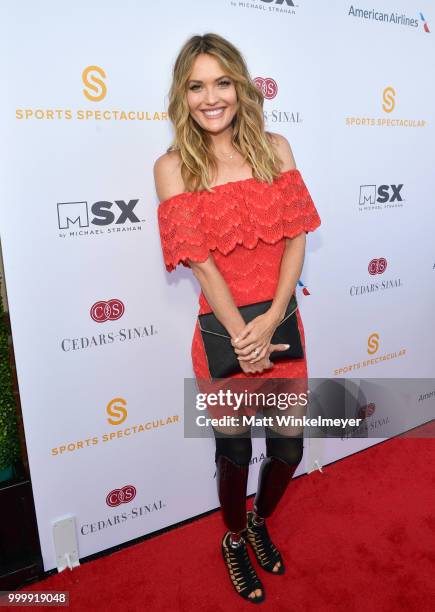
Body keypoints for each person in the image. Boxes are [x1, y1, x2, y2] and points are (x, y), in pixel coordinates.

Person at [154, 33, 321, 604]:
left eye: (221, 81)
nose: (210, 97)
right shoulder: (173, 166)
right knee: (234, 453)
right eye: (196, 85)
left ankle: (259, 521)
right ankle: (232, 537)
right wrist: (243, 336)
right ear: (183, 95)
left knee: (289, 451)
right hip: (222, 335)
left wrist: (273, 317)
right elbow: (201, 267)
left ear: (241, 86)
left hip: (281, 327)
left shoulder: (276, 148)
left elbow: (297, 239)